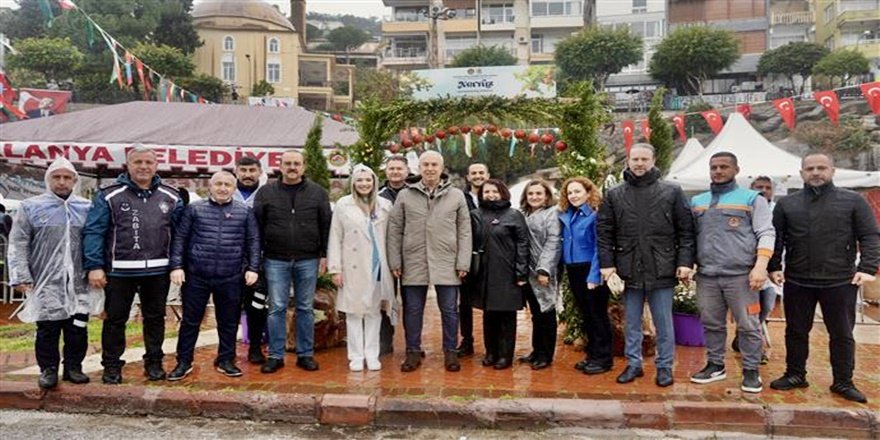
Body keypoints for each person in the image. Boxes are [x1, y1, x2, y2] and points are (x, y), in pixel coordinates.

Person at [768, 152, 879, 403]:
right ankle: (795, 374)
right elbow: (776, 238)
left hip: (840, 281)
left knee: (842, 334)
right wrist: (774, 266)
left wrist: (868, 267)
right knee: (796, 331)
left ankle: (843, 381)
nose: (816, 173)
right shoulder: (787, 204)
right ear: (801, 173)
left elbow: (870, 235)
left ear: (832, 171)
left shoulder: (853, 201)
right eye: (810, 169)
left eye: (821, 168)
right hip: (797, 279)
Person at [83, 145, 185, 384]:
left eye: (148, 162)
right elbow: (94, 231)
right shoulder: (109, 195)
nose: (143, 167)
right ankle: (111, 366)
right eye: (138, 162)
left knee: (155, 319)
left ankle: (154, 363)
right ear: (127, 165)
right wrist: (94, 265)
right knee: (115, 320)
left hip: (158, 271)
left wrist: (177, 265)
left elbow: (180, 234)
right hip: (120, 271)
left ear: (156, 166)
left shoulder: (171, 196)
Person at [598, 143, 695, 387]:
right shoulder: (614, 194)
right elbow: (605, 232)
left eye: (644, 159)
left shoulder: (672, 191)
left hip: (662, 266)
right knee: (631, 321)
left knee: (663, 322)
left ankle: (664, 366)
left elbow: (686, 231)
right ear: (628, 161)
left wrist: (685, 261)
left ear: (653, 160)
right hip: (627, 266)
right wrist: (607, 265)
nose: (639, 163)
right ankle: (634, 364)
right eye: (635, 159)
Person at [688, 152, 775, 393]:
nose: (718, 171)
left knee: (749, 325)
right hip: (707, 276)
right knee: (711, 323)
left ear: (736, 170)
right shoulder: (698, 202)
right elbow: (689, 237)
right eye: (714, 167)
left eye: (724, 167)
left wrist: (761, 266)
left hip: (741, 277)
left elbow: (766, 232)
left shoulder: (752, 199)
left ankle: (751, 370)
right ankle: (716, 365)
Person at [166, 171, 261, 381]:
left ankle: (226, 360)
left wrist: (253, 268)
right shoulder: (194, 209)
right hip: (196, 276)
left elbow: (253, 241)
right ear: (210, 186)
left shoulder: (245, 212)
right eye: (218, 184)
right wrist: (176, 266)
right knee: (190, 321)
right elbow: (180, 238)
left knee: (228, 322)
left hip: (231, 276)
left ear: (234, 188)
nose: (223, 188)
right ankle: (184, 361)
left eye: (227, 185)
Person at [7, 157, 91, 389]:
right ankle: (48, 369)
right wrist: (21, 275)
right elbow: (18, 242)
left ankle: (73, 367)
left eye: (67, 177)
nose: (61, 182)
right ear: (48, 179)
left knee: (78, 327)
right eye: (56, 177)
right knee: (47, 329)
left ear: (74, 181)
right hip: (45, 281)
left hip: (78, 281)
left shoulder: (86, 208)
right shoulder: (31, 207)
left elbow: (96, 241)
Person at [387, 150, 472, 373]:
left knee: (449, 310)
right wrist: (395, 260)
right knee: (413, 309)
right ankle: (413, 351)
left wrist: (463, 262)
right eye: (426, 164)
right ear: (419, 168)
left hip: (447, 260)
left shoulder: (456, 196)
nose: (430, 168)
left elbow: (464, 231)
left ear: (442, 168)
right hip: (413, 259)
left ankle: (450, 351)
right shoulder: (405, 195)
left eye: (434, 165)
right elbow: (395, 229)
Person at [253, 150, 332, 373]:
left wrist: (325, 255)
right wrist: (257, 257)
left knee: (305, 307)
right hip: (275, 259)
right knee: (276, 307)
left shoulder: (318, 192)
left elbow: (326, 225)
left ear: (303, 167)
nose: (292, 167)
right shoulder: (266, 192)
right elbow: (256, 227)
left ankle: (305, 354)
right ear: (280, 166)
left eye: (296, 163)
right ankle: (275, 355)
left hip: (308, 258)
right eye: (287, 163)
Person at [327, 165, 394, 371]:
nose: (364, 184)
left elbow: (391, 237)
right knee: (354, 313)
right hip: (353, 266)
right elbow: (335, 237)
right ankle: (356, 355)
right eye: (360, 180)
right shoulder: (343, 205)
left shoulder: (384, 205)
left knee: (374, 312)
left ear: (374, 182)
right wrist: (335, 269)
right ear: (353, 183)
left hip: (377, 266)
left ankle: (372, 354)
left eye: (368, 180)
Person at [468, 179, 529, 370]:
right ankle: (491, 352)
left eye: (495, 191)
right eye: (487, 192)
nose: (491, 195)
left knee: (507, 316)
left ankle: (505, 355)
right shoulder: (475, 215)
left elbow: (523, 244)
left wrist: (521, 272)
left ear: (503, 192)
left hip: (507, 273)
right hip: (484, 273)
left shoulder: (514, 215)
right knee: (489, 315)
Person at [560, 176, 614, 375]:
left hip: (591, 269)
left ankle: (604, 358)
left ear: (588, 192)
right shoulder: (569, 214)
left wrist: (594, 276)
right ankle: (593, 355)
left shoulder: (595, 215)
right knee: (587, 315)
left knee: (597, 315)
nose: (573, 196)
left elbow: (600, 247)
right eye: (570, 192)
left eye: (577, 191)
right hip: (574, 269)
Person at [731, 176, 778, 364]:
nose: (764, 190)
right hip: (747, 269)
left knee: (766, 307)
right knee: (750, 312)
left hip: (771, 271)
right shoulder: (745, 208)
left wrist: (775, 267)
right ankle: (755, 350)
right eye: (760, 187)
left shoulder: (778, 210)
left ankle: (744, 336)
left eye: (768, 187)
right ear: (752, 189)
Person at [518, 180, 561, 370]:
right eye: (531, 194)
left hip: (544, 272)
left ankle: (546, 355)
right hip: (527, 271)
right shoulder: (524, 214)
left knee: (547, 313)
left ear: (546, 196)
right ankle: (536, 350)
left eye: (538, 193)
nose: (534, 197)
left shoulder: (552, 214)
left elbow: (553, 242)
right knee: (536, 313)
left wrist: (544, 269)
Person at [233, 156, 270, 364]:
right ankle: (226, 351)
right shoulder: (227, 191)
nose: (248, 175)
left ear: (259, 172)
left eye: (252, 170)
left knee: (256, 306)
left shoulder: (267, 194)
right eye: (243, 170)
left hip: (258, 262)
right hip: (230, 260)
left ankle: (255, 348)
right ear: (236, 171)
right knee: (229, 308)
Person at [376, 154, 409, 357]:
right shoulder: (377, 195)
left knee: (412, 302)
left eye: (399, 168)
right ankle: (384, 341)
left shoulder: (414, 193)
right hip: (384, 255)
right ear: (386, 171)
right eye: (392, 168)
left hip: (411, 255)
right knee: (385, 299)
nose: (395, 172)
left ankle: (413, 343)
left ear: (407, 171)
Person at [458, 162, 490, 357]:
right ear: (468, 177)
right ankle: (467, 340)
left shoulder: (495, 196)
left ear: (487, 175)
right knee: (465, 302)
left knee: (490, 301)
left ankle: (491, 344)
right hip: (467, 256)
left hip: (491, 256)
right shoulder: (460, 198)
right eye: (474, 173)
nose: (478, 176)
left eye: (481, 172)